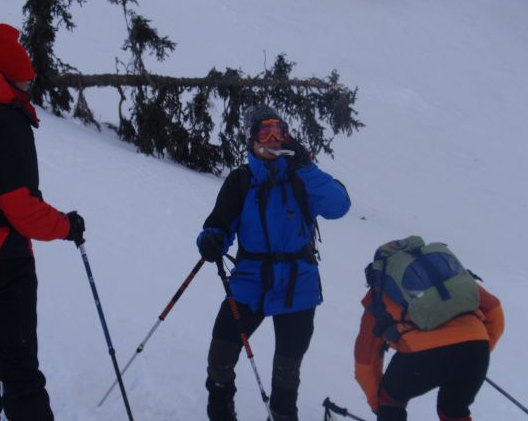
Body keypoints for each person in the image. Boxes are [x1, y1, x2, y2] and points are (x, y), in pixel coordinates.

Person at [0, 23, 85, 421]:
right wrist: (67, 226)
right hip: (1, 262)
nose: (30, 84)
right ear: (12, 75)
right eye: (27, 77)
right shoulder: (4, 112)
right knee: (18, 366)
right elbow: (19, 207)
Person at [196, 105, 351, 421]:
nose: (272, 139)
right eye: (264, 132)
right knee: (220, 355)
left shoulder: (301, 178)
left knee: (286, 372)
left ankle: (282, 415)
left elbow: (339, 206)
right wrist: (211, 241)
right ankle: (220, 412)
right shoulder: (241, 181)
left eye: (278, 131)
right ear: (250, 137)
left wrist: (306, 167)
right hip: (250, 281)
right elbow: (219, 225)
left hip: (298, 284)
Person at [354, 241, 505, 421]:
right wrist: (478, 351)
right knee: (453, 409)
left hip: (422, 356)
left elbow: (365, 360)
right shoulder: (451, 278)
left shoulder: (380, 293)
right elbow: (494, 310)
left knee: (390, 400)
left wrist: (379, 404)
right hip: (476, 347)